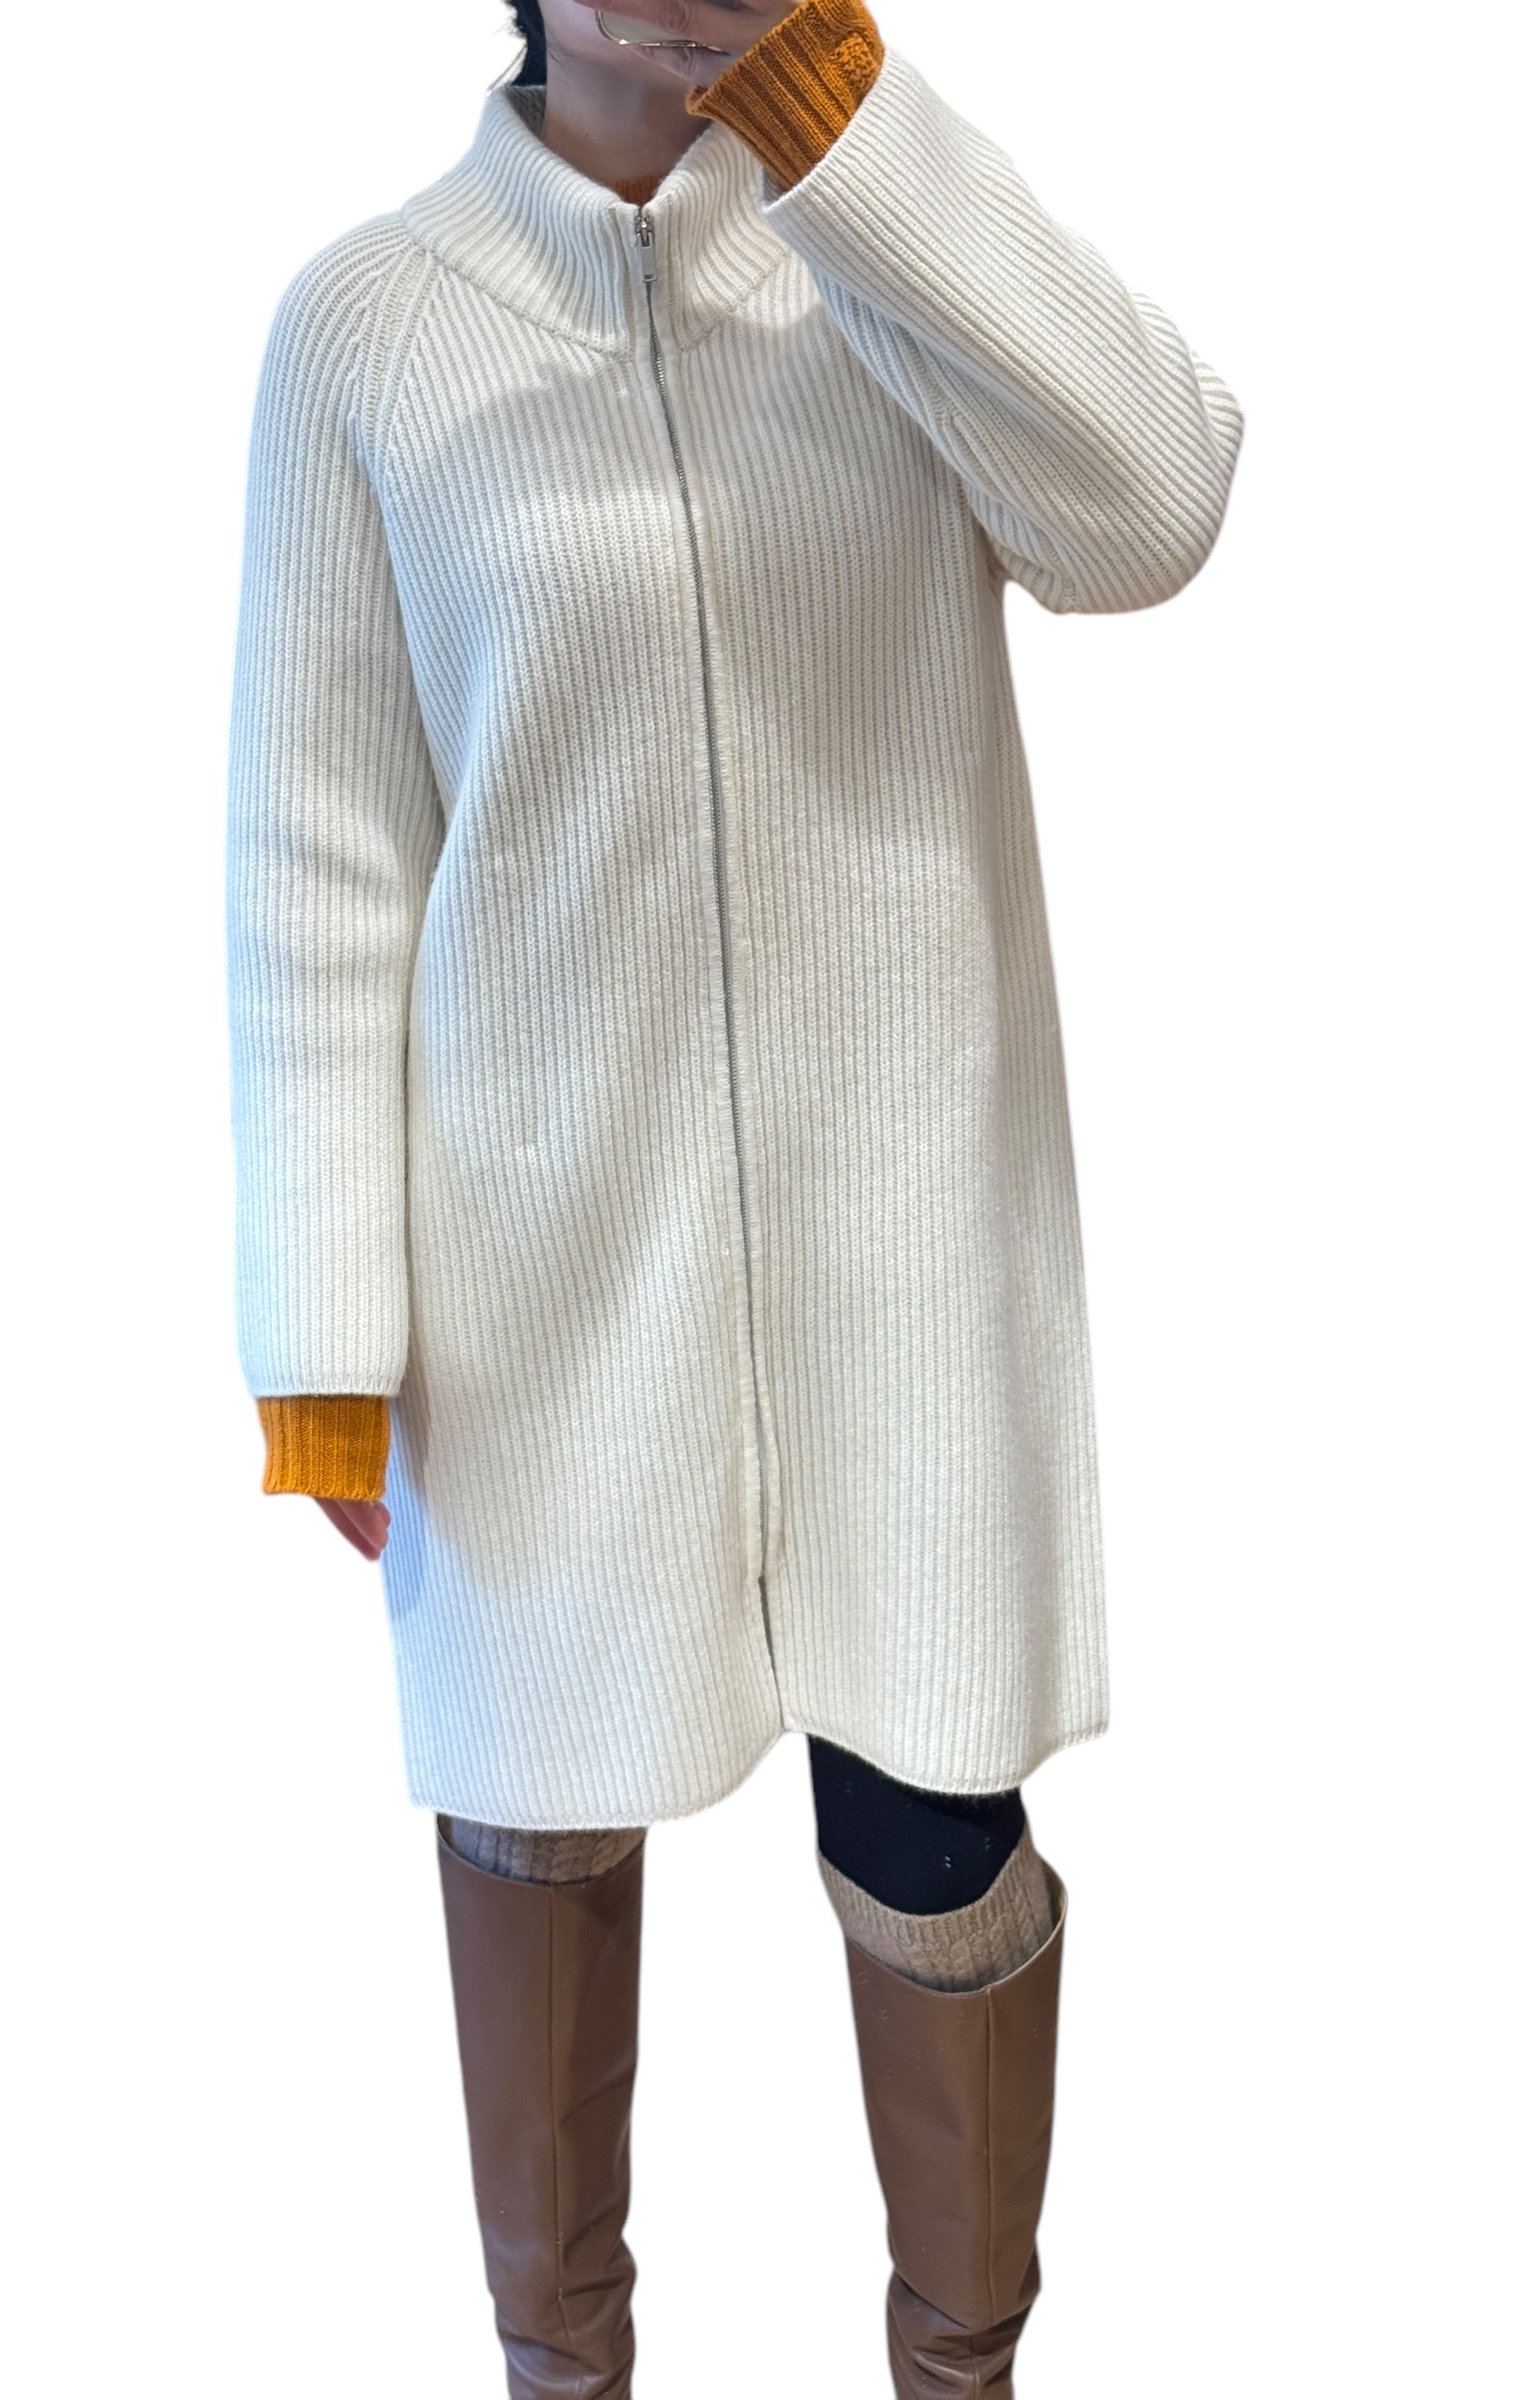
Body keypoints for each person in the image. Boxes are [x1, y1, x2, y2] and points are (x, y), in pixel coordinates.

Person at [225, 0, 1241, 2388]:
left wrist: (834, 119)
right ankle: (560, 2368)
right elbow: (319, 848)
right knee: (539, 1822)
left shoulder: (879, 248)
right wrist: (322, 1336)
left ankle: (962, 2369)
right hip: (541, 1275)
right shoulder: (365, 330)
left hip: (909, 1260)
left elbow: (1156, 509)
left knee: (932, 1836)